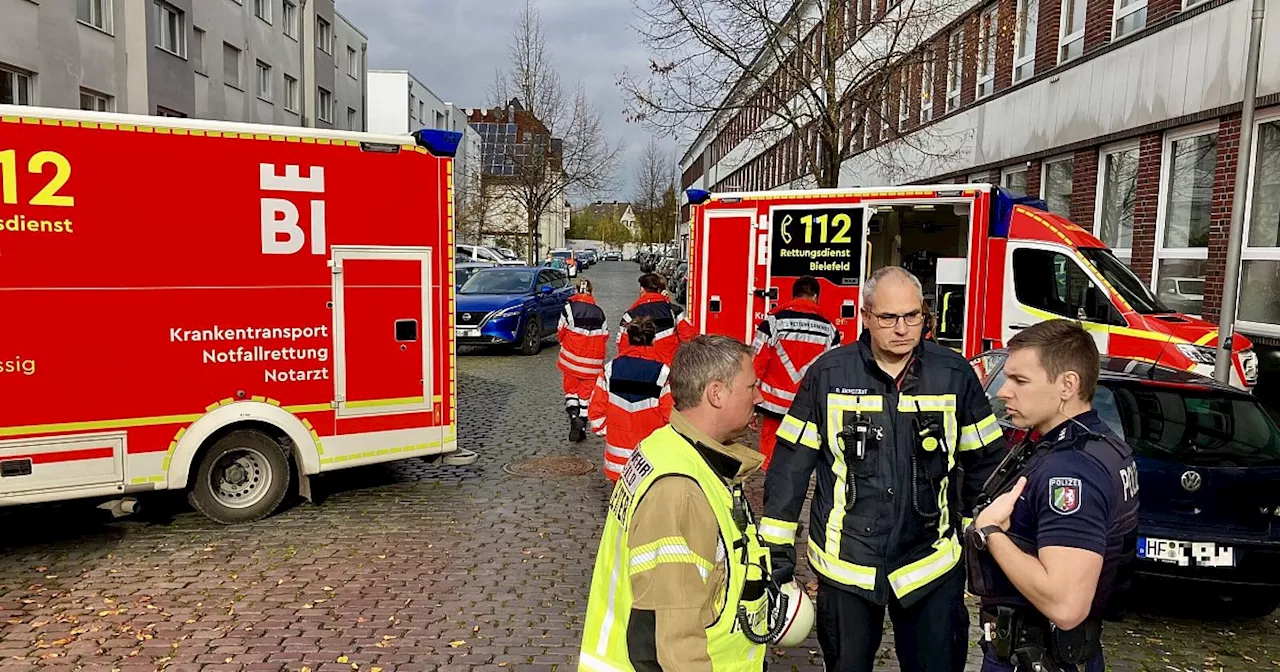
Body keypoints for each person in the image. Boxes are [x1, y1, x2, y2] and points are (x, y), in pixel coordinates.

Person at [761, 265, 1007, 672]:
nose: (902, 328)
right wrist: (777, 553)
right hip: (847, 566)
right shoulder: (828, 375)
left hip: (931, 563)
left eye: (913, 316)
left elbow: (985, 469)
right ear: (866, 317)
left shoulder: (954, 375)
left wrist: (978, 549)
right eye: (889, 318)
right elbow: (789, 470)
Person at [579, 335, 774, 671]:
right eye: (751, 386)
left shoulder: (665, 446)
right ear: (716, 393)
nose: (759, 396)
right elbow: (673, 642)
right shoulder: (680, 489)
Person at [965, 319, 1139, 672]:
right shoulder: (1101, 444)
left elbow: (1066, 604)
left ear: (1067, 385)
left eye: (1020, 380)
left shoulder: (1071, 471)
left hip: (1037, 657)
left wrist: (991, 533)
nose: (1003, 391)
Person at [751, 275, 841, 471]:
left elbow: (757, 362)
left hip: (773, 403)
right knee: (802, 457)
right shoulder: (830, 328)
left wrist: (751, 399)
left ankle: (773, 493)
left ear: (793, 295)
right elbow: (833, 370)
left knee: (771, 458)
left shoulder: (773, 321)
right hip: (807, 405)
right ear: (816, 297)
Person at [588, 316, 674, 482]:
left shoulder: (610, 370)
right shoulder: (663, 374)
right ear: (653, 340)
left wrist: (614, 432)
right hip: (651, 460)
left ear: (628, 339)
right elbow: (671, 418)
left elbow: (596, 416)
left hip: (617, 463)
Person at [558, 278, 609, 442]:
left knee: (571, 391)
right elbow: (605, 335)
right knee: (586, 396)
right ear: (591, 291)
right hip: (592, 362)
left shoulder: (569, 309)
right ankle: (582, 426)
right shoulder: (599, 312)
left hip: (571, 359)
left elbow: (561, 331)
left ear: (576, 291)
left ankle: (574, 418)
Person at [617, 273, 696, 366]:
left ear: (642, 289)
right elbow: (689, 338)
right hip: (668, 368)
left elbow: (623, 346)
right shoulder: (674, 311)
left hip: (641, 368)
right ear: (659, 289)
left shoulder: (630, 315)